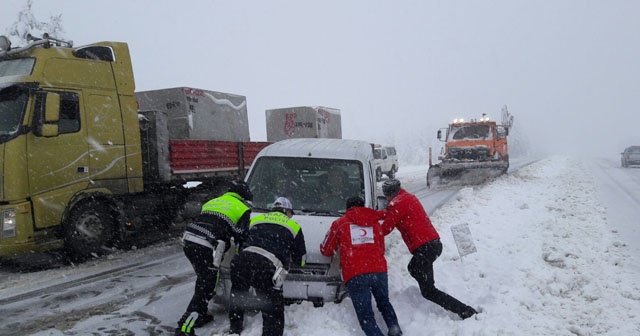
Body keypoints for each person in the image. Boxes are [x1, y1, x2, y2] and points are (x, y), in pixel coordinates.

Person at [381, 178, 478, 320]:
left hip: (425, 247)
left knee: (428, 290)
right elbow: (393, 216)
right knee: (414, 268)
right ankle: (431, 289)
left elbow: (385, 228)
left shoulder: (397, 203)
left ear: (388, 193)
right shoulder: (407, 198)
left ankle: (465, 311)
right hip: (432, 245)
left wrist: (367, 227)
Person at [175, 180, 253, 336]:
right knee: (206, 288)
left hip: (189, 240)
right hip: (206, 245)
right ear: (244, 197)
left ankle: (201, 315)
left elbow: (209, 220)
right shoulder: (243, 208)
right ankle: (184, 327)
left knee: (203, 280)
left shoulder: (213, 201)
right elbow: (240, 235)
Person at [320, 196, 402, 336]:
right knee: (384, 303)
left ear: (348, 209)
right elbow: (380, 248)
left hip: (355, 273)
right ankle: (395, 330)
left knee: (366, 318)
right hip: (379, 271)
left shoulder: (340, 223)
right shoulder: (375, 223)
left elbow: (326, 250)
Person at [228, 197, 307, 336]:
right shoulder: (293, 225)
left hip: (241, 261)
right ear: (287, 211)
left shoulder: (256, 219)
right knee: (273, 308)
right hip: (267, 266)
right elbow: (300, 259)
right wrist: (293, 262)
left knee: (238, 295)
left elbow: (241, 240)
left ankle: (235, 328)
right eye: (291, 213)